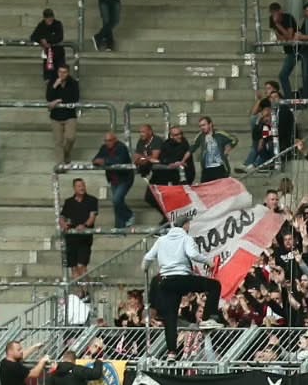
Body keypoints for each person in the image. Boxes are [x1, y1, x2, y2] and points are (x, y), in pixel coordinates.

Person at [143, 221, 226, 355]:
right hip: (182, 278)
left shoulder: (161, 240)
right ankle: (208, 318)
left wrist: (145, 267)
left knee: (170, 317)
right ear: (185, 225)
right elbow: (192, 254)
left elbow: (148, 257)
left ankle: (171, 352)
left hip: (166, 281)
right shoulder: (185, 238)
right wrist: (208, 262)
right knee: (214, 285)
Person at [93, 130, 135, 229]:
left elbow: (119, 160)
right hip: (113, 179)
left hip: (124, 179)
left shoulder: (121, 147)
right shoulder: (104, 148)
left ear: (115, 140)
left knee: (116, 200)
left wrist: (104, 161)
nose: (107, 143)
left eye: (110, 140)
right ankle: (119, 229)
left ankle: (129, 215)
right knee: (117, 203)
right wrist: (97, 161)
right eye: (106, 141)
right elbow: (96, 159)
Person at [58, 176, 98, 277]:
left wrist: (84, 225)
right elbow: (62, 216)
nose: (82, 188)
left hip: (84, 238)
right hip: (71, 238)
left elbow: (92, 217)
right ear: (74, 188)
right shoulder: (69, 202)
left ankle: (86, 287)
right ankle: (78, 287)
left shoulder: (92, 200)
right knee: (74, 268)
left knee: (81, 266)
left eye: (83, 185)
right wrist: (62, 223)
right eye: (79, 186)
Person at [46, 63, 80, 165]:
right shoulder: (52, 82)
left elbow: (75, 98)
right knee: (58, 142)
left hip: (69, 115)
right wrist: (55, 86)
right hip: (56, 116)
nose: (62, 74)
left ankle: (66, 154)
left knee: (70, 137)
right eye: (60, 72)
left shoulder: (73, 83)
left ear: (68, 73)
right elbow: (48, 97)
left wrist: (58, 101)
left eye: (64, 72)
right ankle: (60, 165)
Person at [190, 115, 236, 182]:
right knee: (205, 187)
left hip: (219, 167)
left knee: (220, 187)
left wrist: (228, 148)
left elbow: (234, 139)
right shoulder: (201, 135)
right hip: (206, 168)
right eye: (200, 126)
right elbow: (192, 147)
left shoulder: (219, 134)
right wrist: (183, 159)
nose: (202, 127)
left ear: (210, 124)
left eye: (204, 125)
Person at [30, 7, 66, 82]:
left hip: (58, 53)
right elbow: (33, 37)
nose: (50, 20)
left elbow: (59, 37)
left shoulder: (57, 24)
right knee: (49, 77)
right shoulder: (41, 25)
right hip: (48, 55)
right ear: (44, 18)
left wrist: (48, 41)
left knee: (60, 75)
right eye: (47, 19)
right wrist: (41, 40)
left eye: (51, 18)